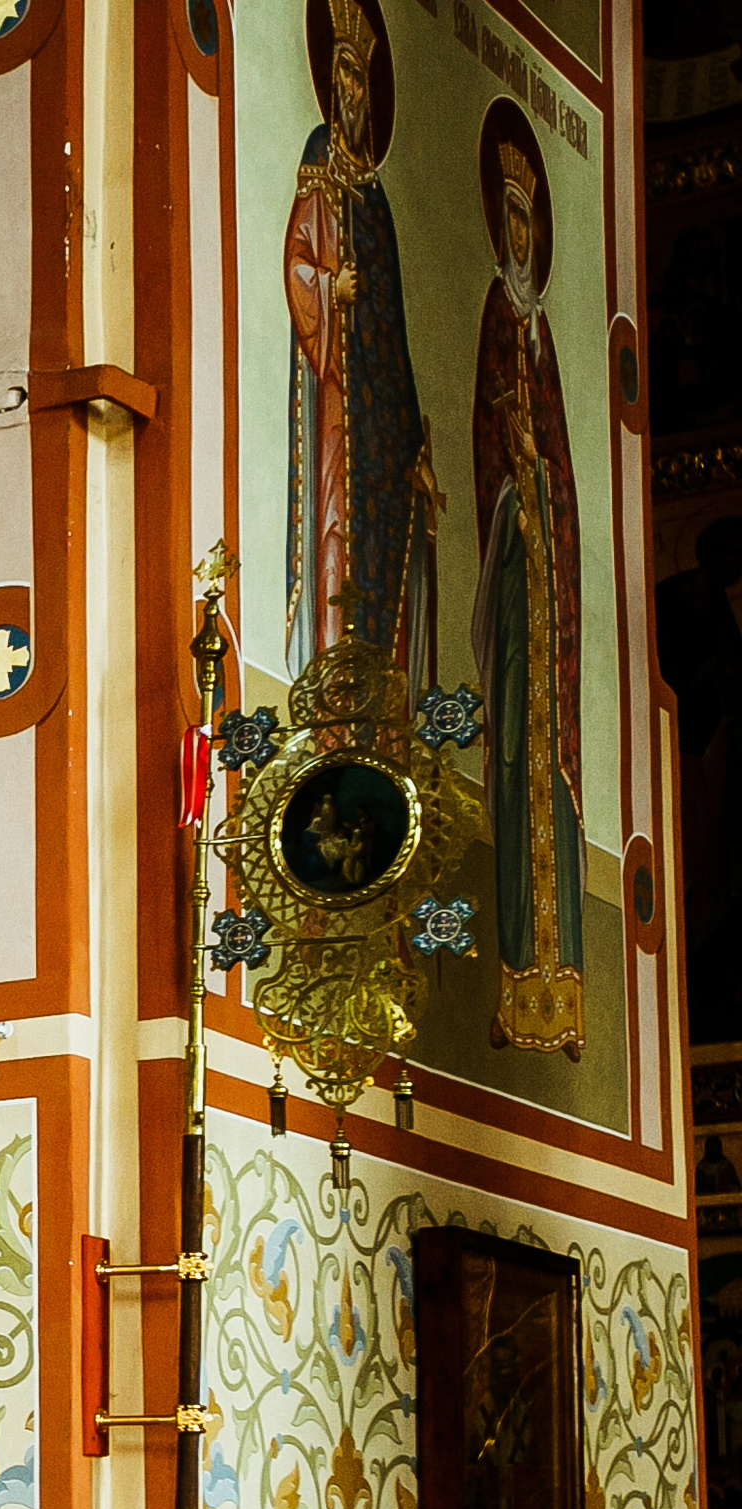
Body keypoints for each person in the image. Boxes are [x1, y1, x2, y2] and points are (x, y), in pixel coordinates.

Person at [284, 0, 436, 688]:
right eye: (342, 74)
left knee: (379, 553)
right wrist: (328, 289)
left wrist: (413, 449)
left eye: (358, 80)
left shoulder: (377, 198)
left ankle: (374, 689)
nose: (349, 91)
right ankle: (335, 679)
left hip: (380, 417)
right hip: (340, 401)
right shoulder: (321, 158)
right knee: (340, 533)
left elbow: (398, 333)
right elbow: (297, 257)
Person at [471, 115, 582, 1059]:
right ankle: (516, 982)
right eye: (506, 214)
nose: (517, 231)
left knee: (555, 771)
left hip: (554, 599)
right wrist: (517, 495)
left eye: (527, 216)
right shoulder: (497, 324)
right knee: (513, 759)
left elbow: (568, 472)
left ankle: (567, 991)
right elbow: (489, 448)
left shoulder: (541, 328)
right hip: (516, 584)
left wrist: (548, 491)